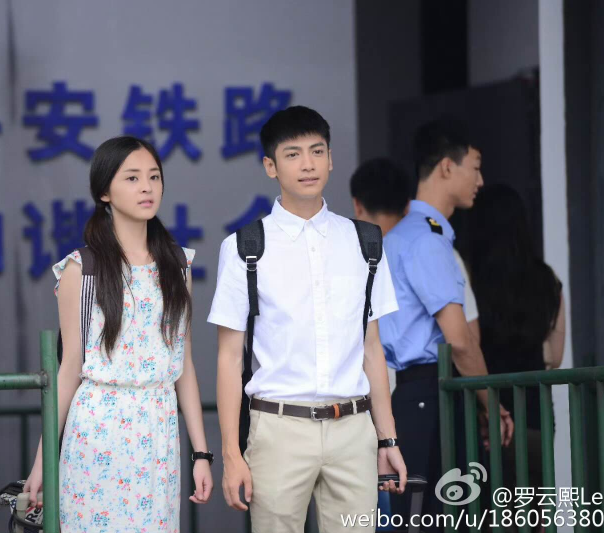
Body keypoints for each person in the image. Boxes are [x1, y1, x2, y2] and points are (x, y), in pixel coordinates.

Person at [209, 105, 407, 533]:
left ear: (331, 159)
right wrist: (231, 453)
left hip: (353, 429)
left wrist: (387, 437)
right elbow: (228, 357)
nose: (308, 164)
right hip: (278, 429)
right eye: (293, 154)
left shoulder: (365, 242)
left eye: (317, 151)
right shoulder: (245, 246)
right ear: (271, 166)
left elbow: (372, 347)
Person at [23, 136, 213, 532]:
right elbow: (69, 370)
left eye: (154, 177)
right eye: (132, 178)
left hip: (158, 435)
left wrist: (201, 454)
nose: (147, 187)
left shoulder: (177, 265)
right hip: (96, 435)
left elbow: (184, 364)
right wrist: (43, 462)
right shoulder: (83, 269)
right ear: (104, 192)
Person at [377, 119, 514, 530]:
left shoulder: (407, 235)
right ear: (447, 167)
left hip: (417, 397)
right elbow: (460, 341)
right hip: (430, 397)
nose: (480, 180)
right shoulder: (426, 238)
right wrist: (492, 405)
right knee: (435, 519)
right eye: (476, 167)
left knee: (420, 518)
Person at [467, 183, 565, 527]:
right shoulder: (547, 280)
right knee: (534, 514)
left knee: (486, 516)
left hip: (483, 420)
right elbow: (555, 356)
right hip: (535, 415)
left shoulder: (470, 279)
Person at [350, 157, 481, 341]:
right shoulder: (442, 252)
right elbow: (468, 336)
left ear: (357, 205)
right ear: (408, 206)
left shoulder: (346, 263)